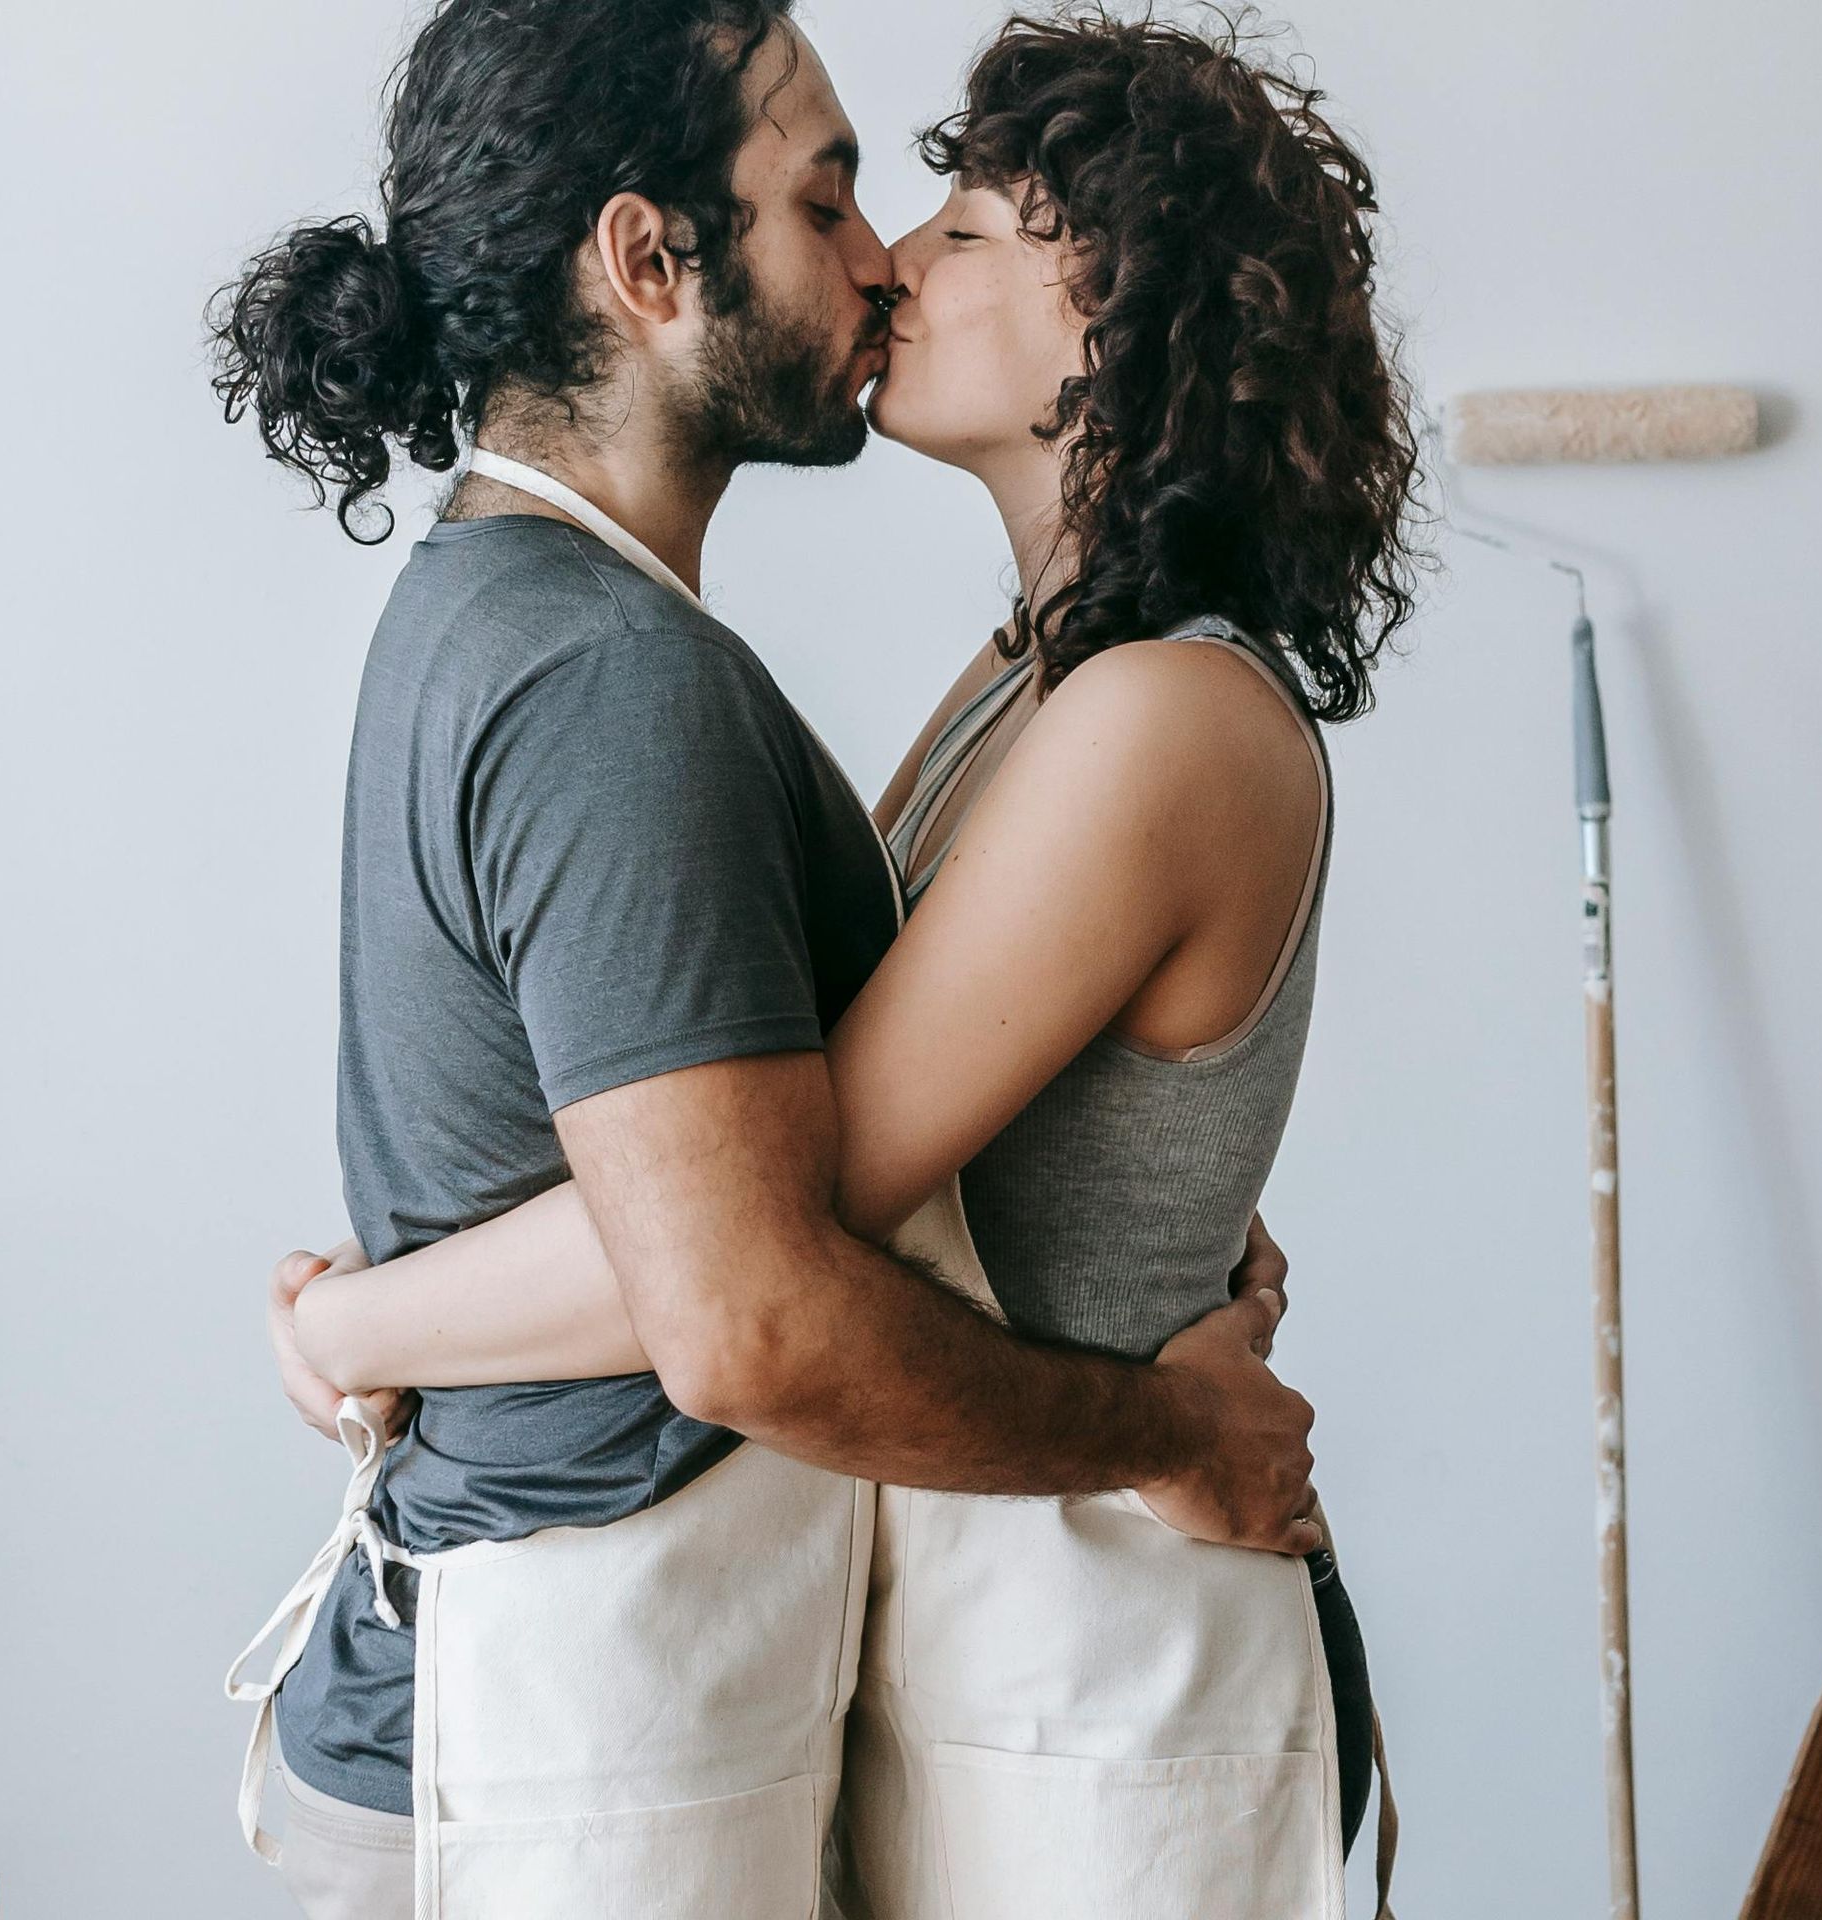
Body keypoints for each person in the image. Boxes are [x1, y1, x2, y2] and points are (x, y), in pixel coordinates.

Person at [262, 9, 1419, 1916]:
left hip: (1110, 1667)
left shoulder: (1156, 719)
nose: (891, 261)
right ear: (646, 261)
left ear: (1112, 324)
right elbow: (763, 1186)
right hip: (983, 1641)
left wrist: (361, 1328)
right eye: (857, 207)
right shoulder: (1024, 685)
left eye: (964, 230)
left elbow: (775, 1228)